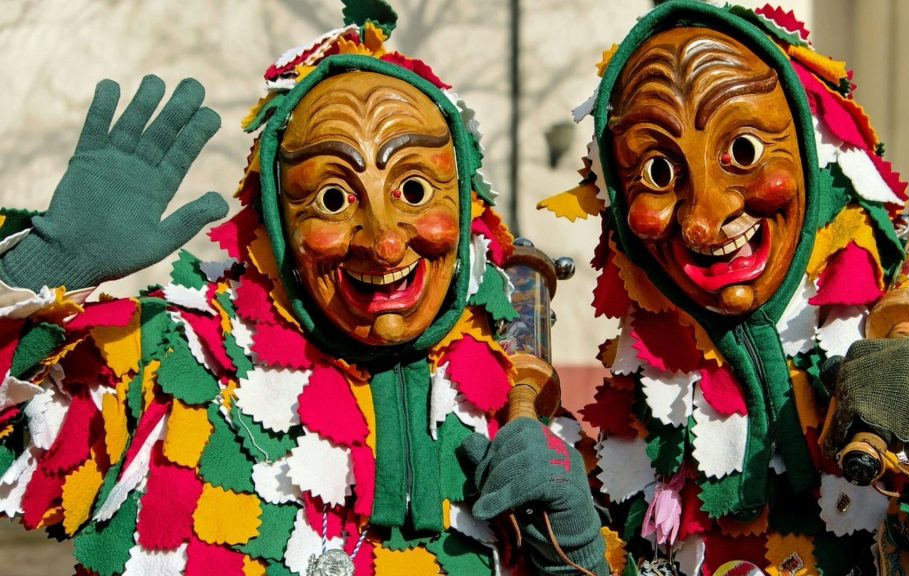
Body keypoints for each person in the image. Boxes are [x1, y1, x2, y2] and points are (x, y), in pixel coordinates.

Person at [0, 1, 608, 574]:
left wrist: (575, 556)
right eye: (333, 199)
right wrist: (30, 277)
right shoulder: (167, 361)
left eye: (415, 190)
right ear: (279, 223)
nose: (384, 243)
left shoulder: (519, 406)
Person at [543, 1, 909, 573]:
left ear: (813, 144)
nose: (704, 220)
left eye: (742, 152)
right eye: (658, 173)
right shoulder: (649, 400)